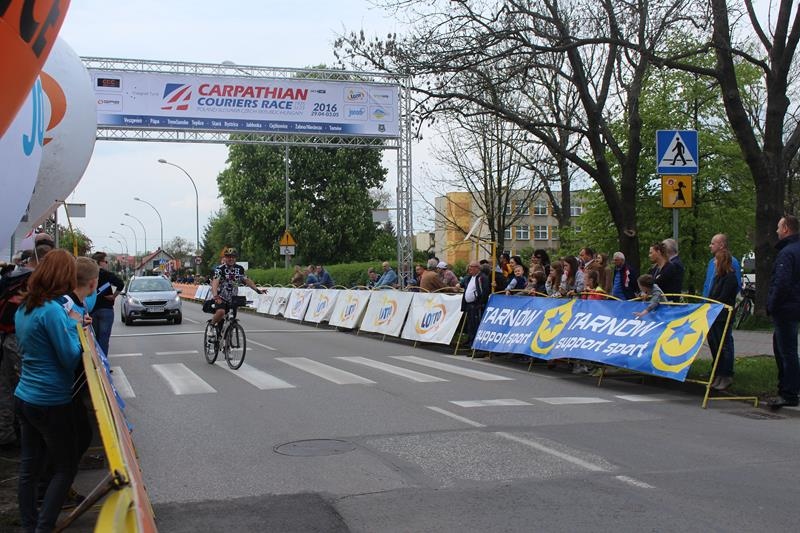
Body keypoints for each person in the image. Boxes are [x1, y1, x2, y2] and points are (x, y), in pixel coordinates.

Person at [13, 250, 84, 532]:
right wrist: (75, 331)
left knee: (29, 469)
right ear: (64, 277)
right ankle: (44, 528)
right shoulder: (52, 311)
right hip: (51, 400)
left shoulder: (25, 306)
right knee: (65, 468)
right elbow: (69, 357)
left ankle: (29, 525)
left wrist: (70, 324)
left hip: (24, 395)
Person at [0, 237, 54, 450]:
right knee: (25, 388)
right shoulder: (32, 281)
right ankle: (26, 436)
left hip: (5, 337)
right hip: (18, 339)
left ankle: (6, 433)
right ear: (43, 260)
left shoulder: (10, 276)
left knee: (6, 387)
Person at [767, 215, 800, 410]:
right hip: (794, 306)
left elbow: (781, 283)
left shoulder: (786, 253)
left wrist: (771, 305)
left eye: (779, 227)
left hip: (785, 309)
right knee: (786, 349)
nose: (777, 231)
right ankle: (789, 388)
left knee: (786, 351)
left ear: (786, 228)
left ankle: (789, 393)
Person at [208, 248, 263, 335]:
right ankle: (211, 325)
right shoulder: (220, 269)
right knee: (221, 312)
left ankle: (227, 338)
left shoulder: (239, 269)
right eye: (228, 257)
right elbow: (215, 282)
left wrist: (257, 290)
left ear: (235, 258)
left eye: (233, 257)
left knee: (231, 319)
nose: (231, 259)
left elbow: (247, 280)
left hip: (233, 298)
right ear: (225, 258)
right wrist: (215, 296)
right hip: (221, 297)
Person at [706, 249, 738, 391]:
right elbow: (711, 294)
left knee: (723, 346)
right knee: (714, 345)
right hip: (714, 315)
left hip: (723, 316)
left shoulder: (730, 278)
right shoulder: (717, 277)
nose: (714, 262)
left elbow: (723, 297)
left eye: (716, 260)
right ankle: (718, 373)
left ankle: (726, 374)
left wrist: (712, 304)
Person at [89, 252, 124, 356]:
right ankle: (103, 361)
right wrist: (113, 296)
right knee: (104, 338)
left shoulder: (88, 274)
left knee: (93, 338)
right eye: (106, 261)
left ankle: (95, 360)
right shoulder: (107, 274)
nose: (107, 264)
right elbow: (120, 284)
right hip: (106, 309)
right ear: (100, 262)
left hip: (92, 310)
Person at [460, 261, 489, 349]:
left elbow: (484, 291)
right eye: (469, 266)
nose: (469, 268)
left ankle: (474, 344)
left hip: (476, 305)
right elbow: (463, 284)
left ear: (477, 268)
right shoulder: (469, 277)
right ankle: (470, 341)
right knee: (470, 324)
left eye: (471, 267)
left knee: (475, 324)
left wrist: (480, 303)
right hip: (468, 304)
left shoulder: (482, 278)